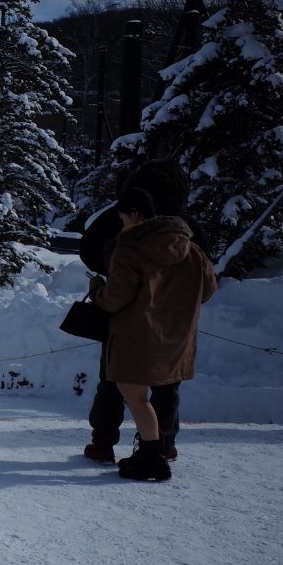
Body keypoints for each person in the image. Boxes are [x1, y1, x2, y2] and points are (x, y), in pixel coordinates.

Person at [79, 159, 204, 464]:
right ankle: (164, 444)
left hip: (129, 322)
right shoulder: (186, 230)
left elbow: (90, 251)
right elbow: (209, 284)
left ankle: (104, 441)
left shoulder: (125, 225)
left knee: (113, 381)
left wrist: (100, 287)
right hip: (175, 323)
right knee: (167, 386)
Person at [94, 187, 217, 482]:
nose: (122, 224)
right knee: (164, 394)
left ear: (135, 214)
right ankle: (156, 451)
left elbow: (116, 297)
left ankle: (151, 457)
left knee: (137, 398)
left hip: (136, 335)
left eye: (123, 217)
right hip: (176, 335)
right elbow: (209, 289)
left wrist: (96, 292)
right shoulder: (191, 248)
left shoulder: (130, 247)